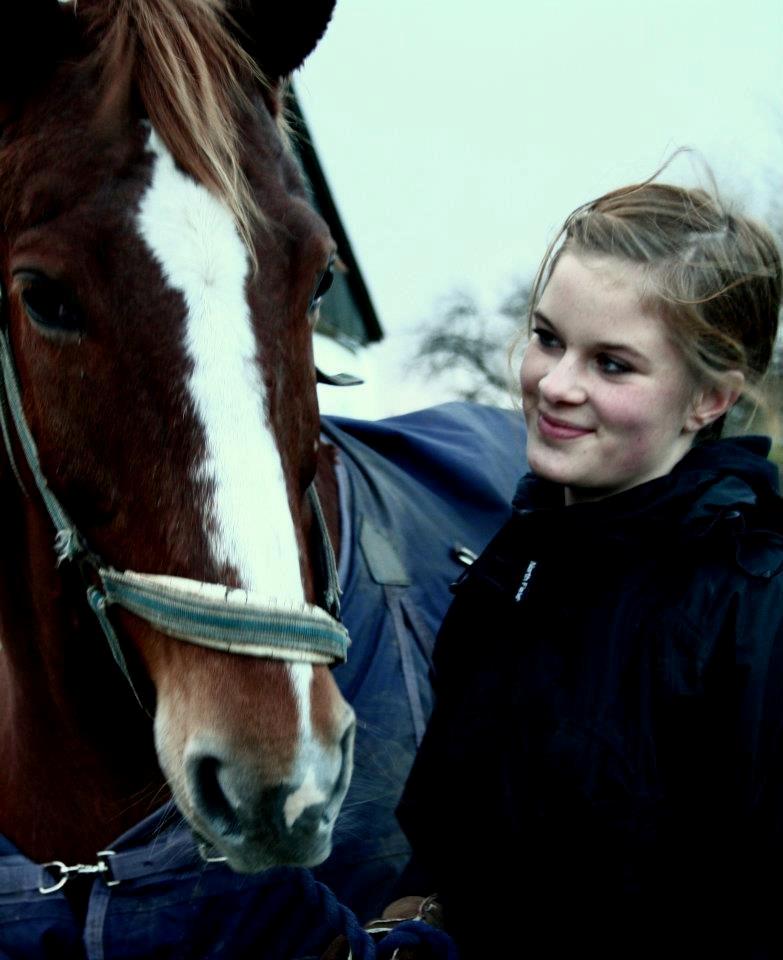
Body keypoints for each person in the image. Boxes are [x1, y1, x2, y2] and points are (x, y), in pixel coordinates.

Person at [394, 179, 783, 959]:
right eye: (547, 338)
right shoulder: (509, 566)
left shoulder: (753, 607)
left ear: (708, 397)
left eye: (611, 364)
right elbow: (446, 839)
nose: (556, 385)